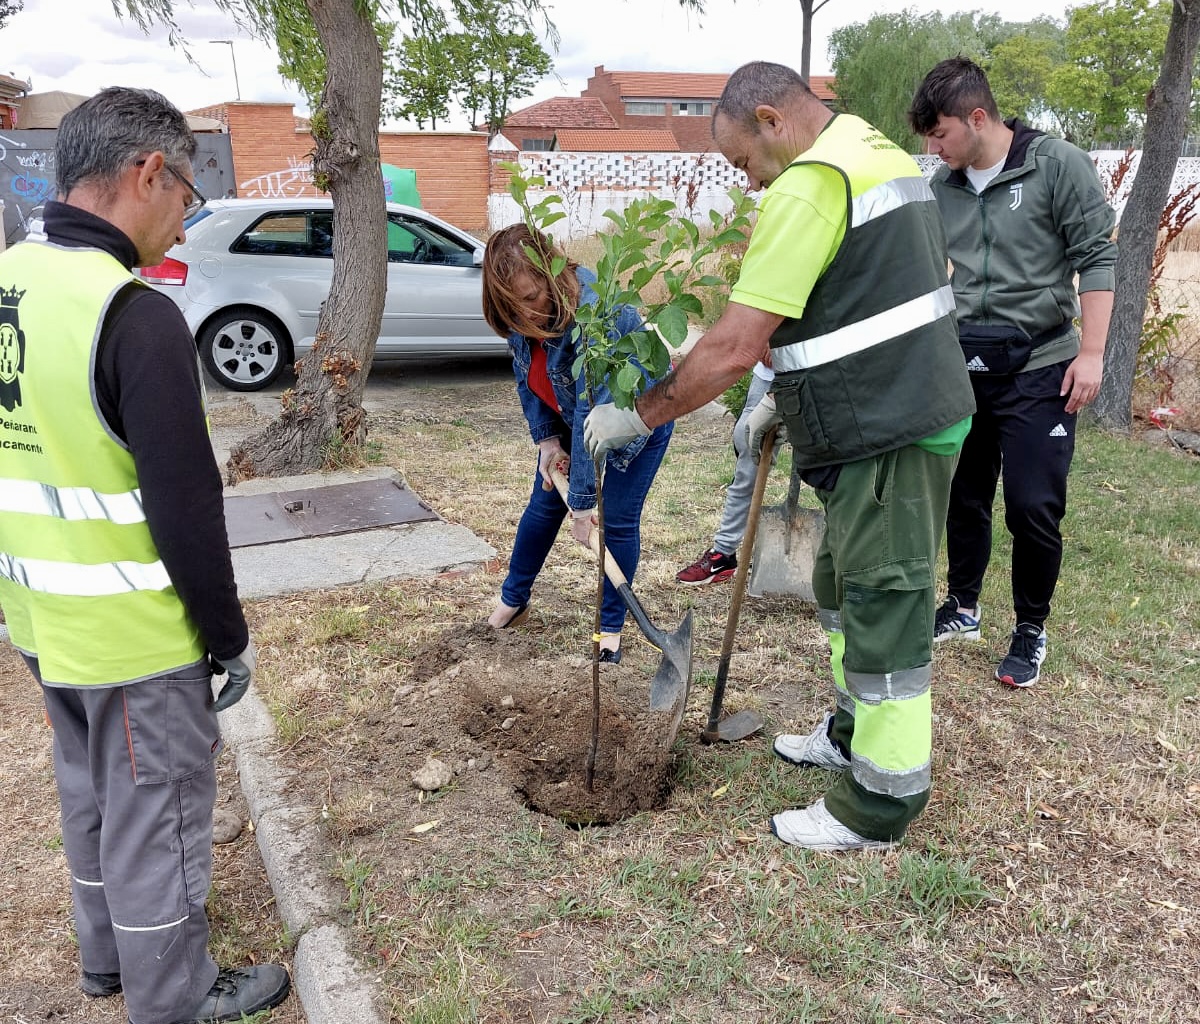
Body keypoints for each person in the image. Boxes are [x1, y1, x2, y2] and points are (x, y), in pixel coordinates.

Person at [584, 61, 975, 851]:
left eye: (743, 162)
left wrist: (643, 412)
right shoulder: (870, 151)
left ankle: (879, 804)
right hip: (881, 412)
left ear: (771, 120)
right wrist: (785, 398)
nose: (750, 181)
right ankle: (850, 733)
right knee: (839, 586)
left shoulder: (811, 183)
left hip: (891, 428)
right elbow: (856, 296)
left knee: (881, 603)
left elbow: (734, 343)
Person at [0, 88, 290, 1023]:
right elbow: (185, 508)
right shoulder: (132, 316)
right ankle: (172, 996)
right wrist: (225, 636)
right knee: (156, 815)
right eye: (187, 193)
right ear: (148, 172)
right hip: (134, 634)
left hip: (40, 615)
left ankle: (105, 961)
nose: (186, 217)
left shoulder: (9, 281)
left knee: (91, 791)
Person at [909, 58, 1117, 687]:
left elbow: (1097, 257)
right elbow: (926, 273)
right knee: (963, 493)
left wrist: (1092, 354)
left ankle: (1030, 628)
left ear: (977, 118)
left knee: (1031, 505)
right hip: (965, 364)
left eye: (940, 135)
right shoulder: (942, 186)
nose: (934, 149)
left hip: (1043, 365)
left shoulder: (1056, 165)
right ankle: (963, 606)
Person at [482, 224, 673, 663]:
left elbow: (595, 410)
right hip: (573, 422)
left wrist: (584, 504)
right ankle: (513, 601)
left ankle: (609, 632)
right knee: (543, 506)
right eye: (514, 307)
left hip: (633, 422)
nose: (525, 314)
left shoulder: (597, 314)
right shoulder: (522, 314)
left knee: (615, 522)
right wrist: (548, 441)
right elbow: (527, 376)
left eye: (531, 298)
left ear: (553, 271)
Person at [675, 361, 775, 586]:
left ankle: (840, 558)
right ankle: (723, 554)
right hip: (769, 373)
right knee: (747, 443)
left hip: (814, 369)